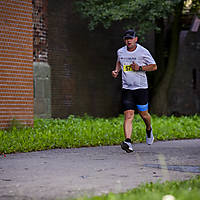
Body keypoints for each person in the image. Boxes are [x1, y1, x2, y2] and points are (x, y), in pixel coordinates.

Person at [112, 29, 157, 153]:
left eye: (131, 38)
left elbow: (154, 66)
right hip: (127, 89)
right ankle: (128, 141)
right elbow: (119, 61)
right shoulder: (120, 51)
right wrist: (116, 71)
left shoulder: (143, 51)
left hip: (141, 88)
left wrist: (140, 68)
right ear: (124, 40)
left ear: (136, 39)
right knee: (128, 115)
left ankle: (149, 129)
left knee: (144, 115)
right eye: (126, 38)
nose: (128, 40)